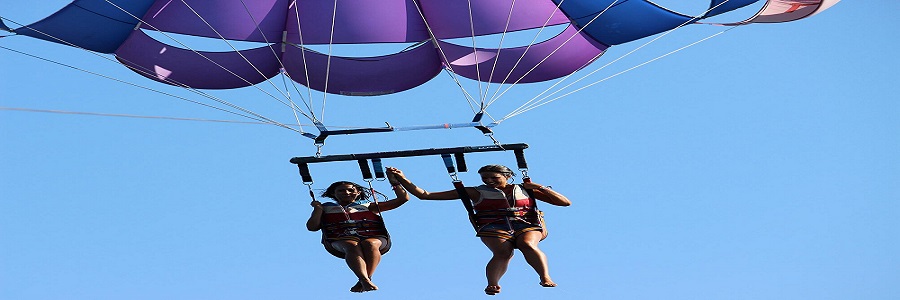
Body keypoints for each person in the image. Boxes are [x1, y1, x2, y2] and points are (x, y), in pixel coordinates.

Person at [387, 165, 571, 295]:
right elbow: (425, 195)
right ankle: (493, 284)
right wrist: (403, 179)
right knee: (503, 252)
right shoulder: (476, 191)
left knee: (526, 244)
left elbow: (565, 202)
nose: (489, 181)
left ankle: (545, 277)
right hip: (494, 226)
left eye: (494, 178)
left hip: (527, 224)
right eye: (485, 179)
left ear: (507, 176)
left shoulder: (524, 189)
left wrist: (539, 187)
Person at [306, 177, 409, 293]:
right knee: (351, 245)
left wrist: (395, 183)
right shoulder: (325, 208)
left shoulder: (369, 205)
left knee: (370, 243)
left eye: (351, 190)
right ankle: (365, 279)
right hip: (341, 238)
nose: (346, 193)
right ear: (333, 193)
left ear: (358, 193)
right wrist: (318, 209)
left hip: (373, 235)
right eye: (341, 191)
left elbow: (403, 198)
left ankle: (364, 279)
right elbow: (312, 227)